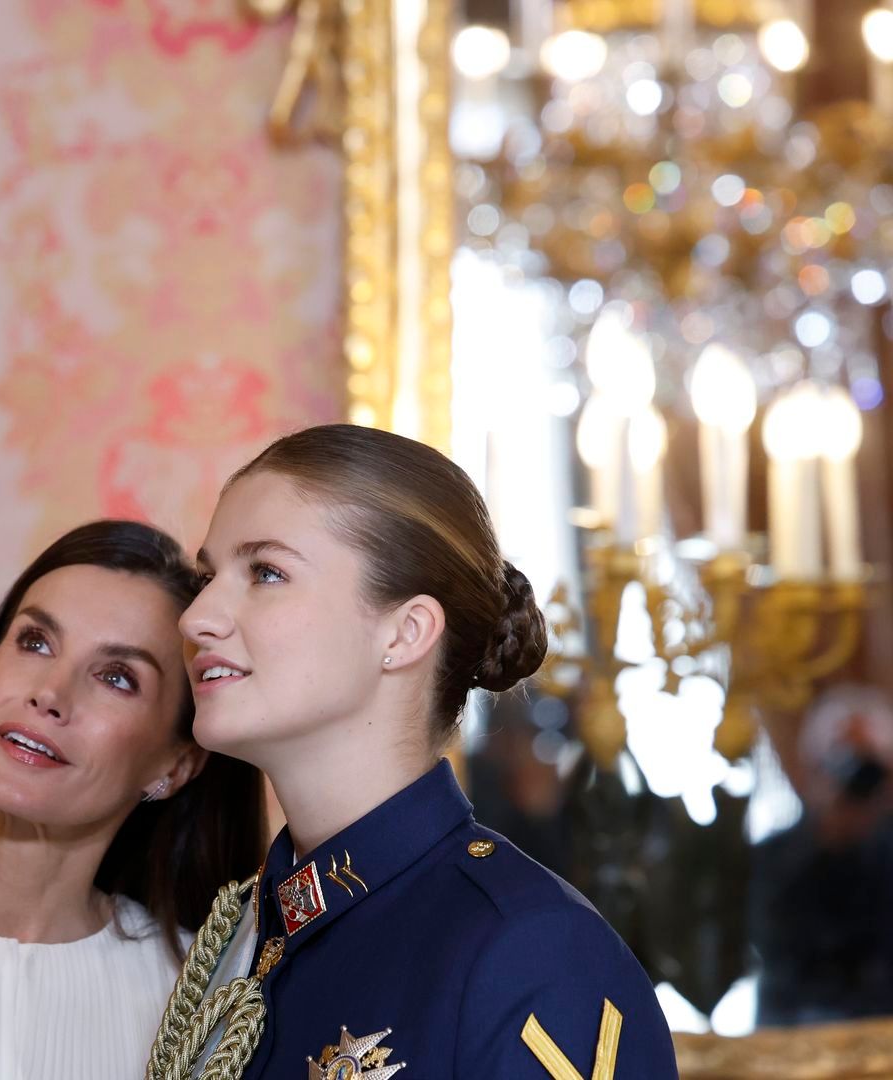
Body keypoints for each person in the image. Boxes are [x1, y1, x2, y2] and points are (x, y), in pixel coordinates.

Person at [147, 424, 677, 1080]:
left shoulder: (530, 950)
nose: (197, 615)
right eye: (209, 575)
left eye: (265, 572)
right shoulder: (241, 940)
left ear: (406, 631)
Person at [0, 520, 264, 1080]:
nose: (50, 693)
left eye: (117, 677)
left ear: (176, 765)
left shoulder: (199, 1004)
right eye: (34, 642)